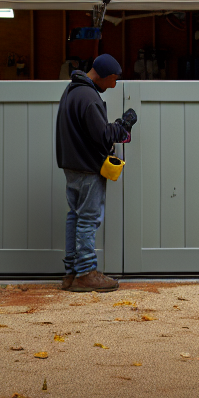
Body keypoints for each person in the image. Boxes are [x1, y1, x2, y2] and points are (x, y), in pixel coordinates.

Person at [55, 53, 138, 292]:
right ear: (103, 76)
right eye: (113, 79)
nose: (114, 85)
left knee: (76, 216)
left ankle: (71, 273)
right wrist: (123, 125)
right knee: (88, 219)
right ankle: (86, 273)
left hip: (72, 165)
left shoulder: (71, 90)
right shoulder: (89, 97)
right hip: (88, 167)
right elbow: (101, 137)